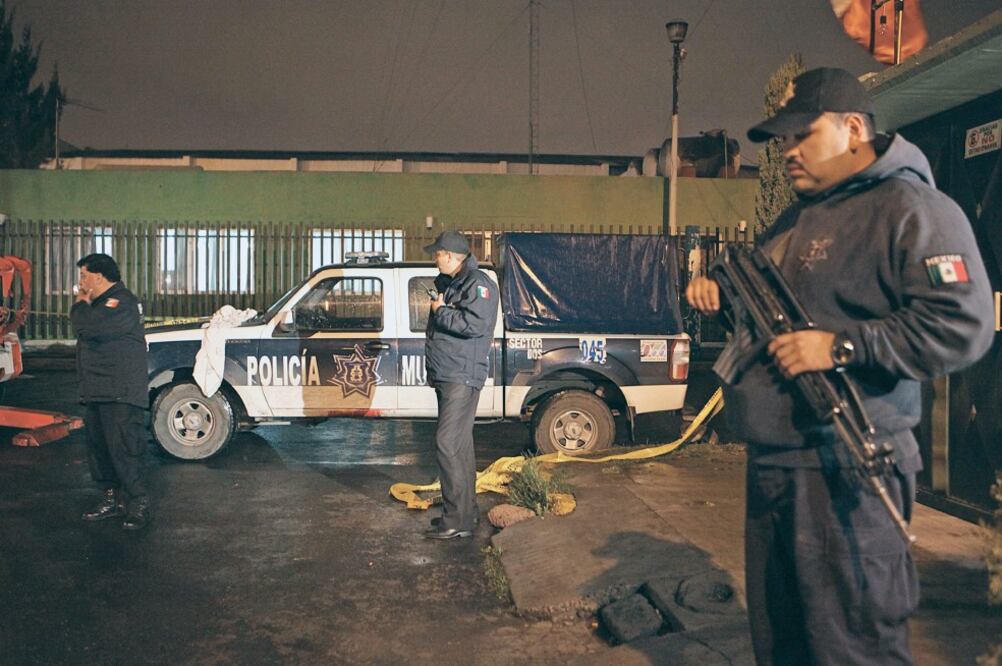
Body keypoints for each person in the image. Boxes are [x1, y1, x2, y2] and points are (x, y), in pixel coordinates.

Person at [686, 67, 993, 664]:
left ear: (854, 129)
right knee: (783, 644)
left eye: (802, 135)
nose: (788, 152)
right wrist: (723, 300)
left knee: (852, 646)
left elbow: (963, 323)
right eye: (782, 142)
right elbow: (766, 312)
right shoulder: (794, 220)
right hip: (775, 461)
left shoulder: (913, 209)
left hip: (847, 464)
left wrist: (842, 347)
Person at [422, 230, 499, 540]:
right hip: (449, 372)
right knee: (461, 445)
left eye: (437, 254)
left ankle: (457, 520)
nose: (434, 259)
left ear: (451, 256)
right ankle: (465, 514)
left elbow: (475, 325)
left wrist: (440, 312)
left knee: (448, 443)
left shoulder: (479, 285)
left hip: (461, 374)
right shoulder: (455, 283)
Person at [71, 253, 153, 530]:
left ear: (98, 276)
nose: (81, 282)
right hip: (98, 390)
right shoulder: (101, 304)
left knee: (125, 449)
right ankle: (112, 500)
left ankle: (137, 503)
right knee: (99, 450)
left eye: (83, 275)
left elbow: (88, 328)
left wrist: (80, 303)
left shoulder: (122, 302)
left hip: (120, 391)